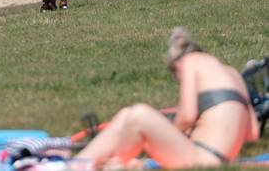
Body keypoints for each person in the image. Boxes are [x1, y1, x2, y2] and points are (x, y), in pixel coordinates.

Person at [72, 27, 259, 170]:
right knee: (132, 125)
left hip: (201, 159)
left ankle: (71, 166)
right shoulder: (233, 73)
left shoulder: (189, 62)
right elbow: (253, 133)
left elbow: (186, 116)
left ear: (176, 65)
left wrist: (172, 132)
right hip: (222, 161)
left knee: (137, 115)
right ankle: (104, 163)